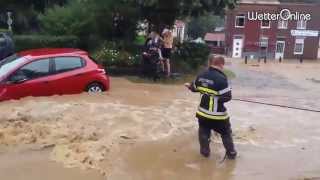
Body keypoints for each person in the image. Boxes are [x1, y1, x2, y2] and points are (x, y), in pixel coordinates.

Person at [185, 55, 237, 159]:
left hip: (203, 113)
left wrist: (189, 86)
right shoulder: (222, 79)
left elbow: (194, 88)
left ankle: (205, 153)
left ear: (211, 63)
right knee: (226, 133)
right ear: (221, 65)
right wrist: (217, 96)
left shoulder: (201, 75)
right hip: (218, 116)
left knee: (203, 131)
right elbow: (227, 97)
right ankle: (231, 154)